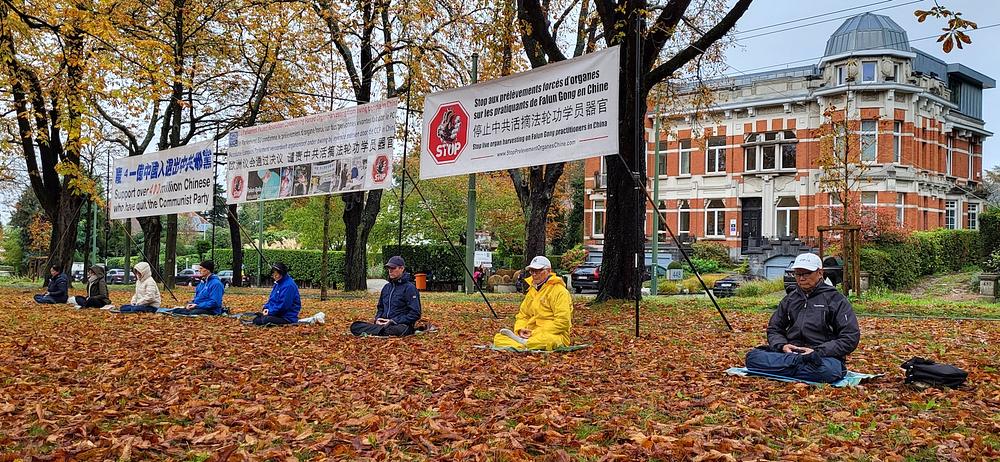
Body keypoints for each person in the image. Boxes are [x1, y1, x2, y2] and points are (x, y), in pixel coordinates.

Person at [744, 252, 861, 383]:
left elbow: (850, 337)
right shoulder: (790, 299)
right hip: (790, 352)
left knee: (827, 371)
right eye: (798, 274)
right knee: (752, 358)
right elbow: (774, 328)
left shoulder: (836, 300)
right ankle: (796, 365)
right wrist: (782, 345)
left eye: (806, 273)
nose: (801, 278)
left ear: (820, 273)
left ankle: (788, 366)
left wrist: (817, 351)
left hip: (821, 356)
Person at [492, 256, 573, 350]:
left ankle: (523, 344)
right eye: (531, 271)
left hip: (552, 334)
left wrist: (536, 333)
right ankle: (525, 343)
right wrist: (520, 329)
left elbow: (563, 322)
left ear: (548, 270)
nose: (534, 274)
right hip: (529, 334)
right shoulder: (532, 291)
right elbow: (523, 315)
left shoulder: (559, 291)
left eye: (538, 271)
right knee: (499, 338)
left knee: (550, 341)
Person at [350, 256, 421, 337]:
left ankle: (376, 331)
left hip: (400, 325)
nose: (390, 270)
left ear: (402, 268)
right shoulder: (386, 287)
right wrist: (377, 319)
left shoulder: (410, 288)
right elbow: (380, 307)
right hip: (383, 324)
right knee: (355, 326)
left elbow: (415, 314)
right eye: (389, 268)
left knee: (399, 330)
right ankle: (379, 330)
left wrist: (393, 321)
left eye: (393, 268)